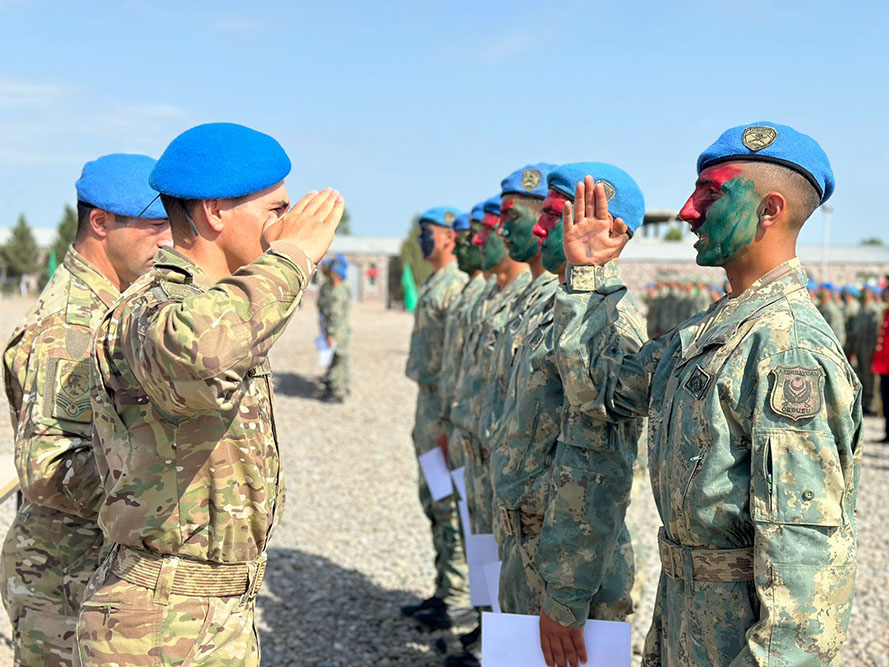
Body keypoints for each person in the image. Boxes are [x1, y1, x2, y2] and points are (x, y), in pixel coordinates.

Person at [547, 122, 861, 667]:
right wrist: (585, 278)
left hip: (735, 636)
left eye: (711, 194)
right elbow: (598, 392)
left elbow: (807, 567)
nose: (689, 211)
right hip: (683, 612)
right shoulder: (708, 331)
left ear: (769, 210)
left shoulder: (787, 349)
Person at [77, 123, 343, 665]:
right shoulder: (155, 306)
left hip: (212, 610)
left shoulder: (219, 304)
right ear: (216, 212)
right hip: (153, 625)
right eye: (275, 211)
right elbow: (205, 353)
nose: (287, 226)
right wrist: (293, 257)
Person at [0, 154, 170, 667]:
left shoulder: (113, 303)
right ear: (100, 222)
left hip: (91, 568)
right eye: (156, 224)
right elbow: (49, 471)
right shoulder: (70, 329)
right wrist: (169, 487)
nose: (169, 239)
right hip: (64, 585)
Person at [490, 163, 645, 628]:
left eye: (555, 215)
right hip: (534, 545)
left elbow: (598, 467)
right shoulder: (565, 307)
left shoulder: (610, 322)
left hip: (568, 559)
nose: (540, 226)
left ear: (610, 228)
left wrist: (565, 595)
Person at [403, 207, 470, 631]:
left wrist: (446, 422)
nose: (424, 241)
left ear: (449, 237)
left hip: (442, 412)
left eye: (429, 234)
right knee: (434, 500)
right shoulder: (435, 282)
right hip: (428, 407)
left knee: (450, 505)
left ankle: (460, 599)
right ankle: (445, 590)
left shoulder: (456, 285)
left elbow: (456, 361)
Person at [436, 210, 488, 469]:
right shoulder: (471, 290)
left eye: (470, 237)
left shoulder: (481, 293)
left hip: (472, 427)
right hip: (448, 411)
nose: (462, 248)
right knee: (441, 491)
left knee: (457, 503)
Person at [321, 254, 351, 402]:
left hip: (337, 332)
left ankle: (337, 392)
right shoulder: (339, 288)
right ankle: (342, 387)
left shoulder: (337, 292)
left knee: (337, 360)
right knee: (339, 359)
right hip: (341, 331)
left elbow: (336, 316)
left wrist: (330, 334)